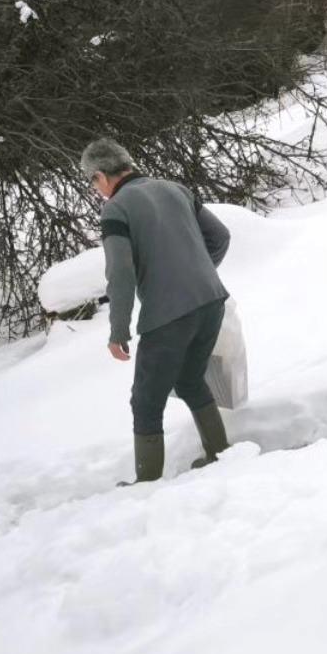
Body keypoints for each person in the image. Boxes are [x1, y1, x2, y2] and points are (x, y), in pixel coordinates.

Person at [81, 138, 234, 483]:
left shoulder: (116, 208)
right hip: (211, 301)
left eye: (93, 183)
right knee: (191, 379)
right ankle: (221, 455)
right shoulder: (175, 188)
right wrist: (199, 274)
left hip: (169, 316)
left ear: (102, 176)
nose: (97, 191)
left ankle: (146, 485)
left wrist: (118, 330)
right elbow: (220, 236)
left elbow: (120, 274)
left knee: (146, 402)